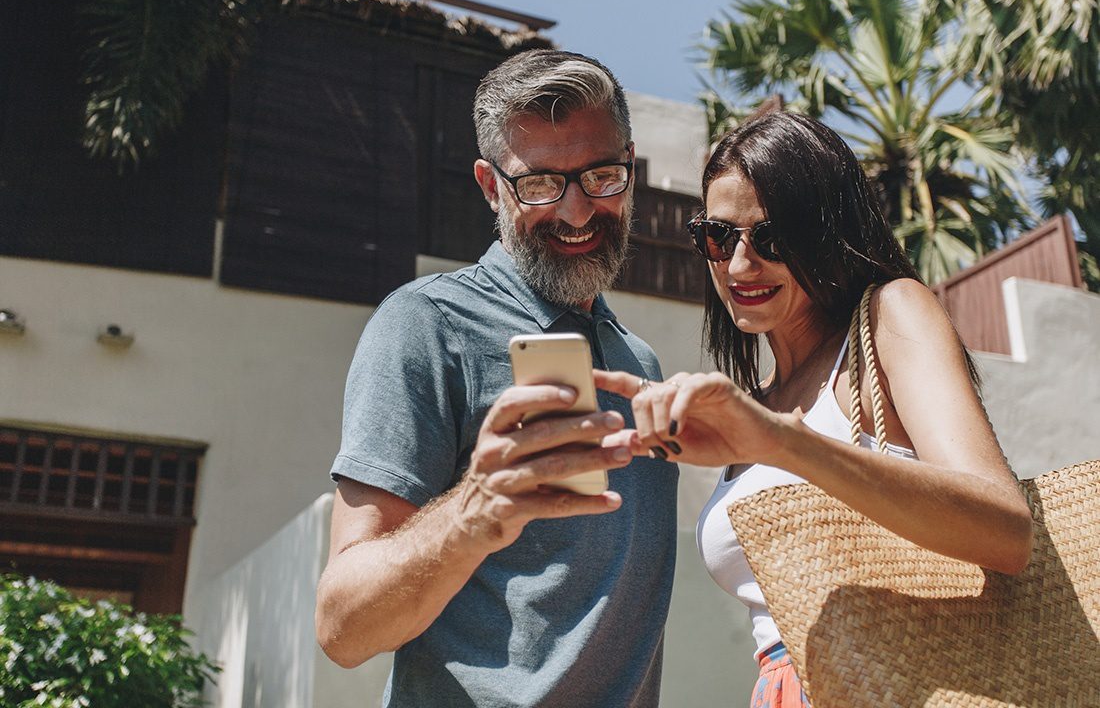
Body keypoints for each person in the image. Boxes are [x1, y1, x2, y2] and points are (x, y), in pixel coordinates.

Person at [597, 111, 1033, 706]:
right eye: (719, 238)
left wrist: (785, 442)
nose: (742, 266)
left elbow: (1006, 530)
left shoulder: (891, 315)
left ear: (829, 235)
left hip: (906, 682)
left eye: (773, 239)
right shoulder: (759, 404)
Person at [315, 50, 678, 707]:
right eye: (538, 184)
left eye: (601, 176)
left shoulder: (639, 364)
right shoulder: (427, 325)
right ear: (490, 186)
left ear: (630, 163)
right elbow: (343, 627)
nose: (575, 213)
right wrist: (477, 510)